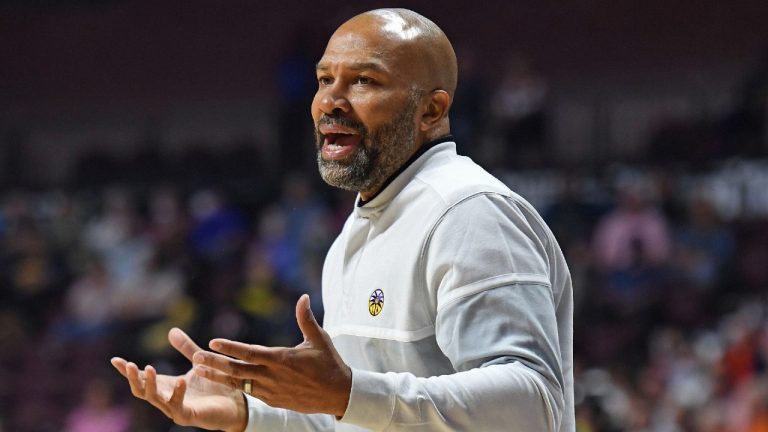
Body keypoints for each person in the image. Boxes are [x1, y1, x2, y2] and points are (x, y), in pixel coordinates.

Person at [111, 8, 574, 431]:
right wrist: (251, 413)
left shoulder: (468, 212)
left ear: (431, 110)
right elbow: (356, 418)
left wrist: (348, 392)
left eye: (364, 81)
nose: (331, 101)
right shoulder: (357, 231)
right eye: (325, 79)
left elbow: (532, 406)